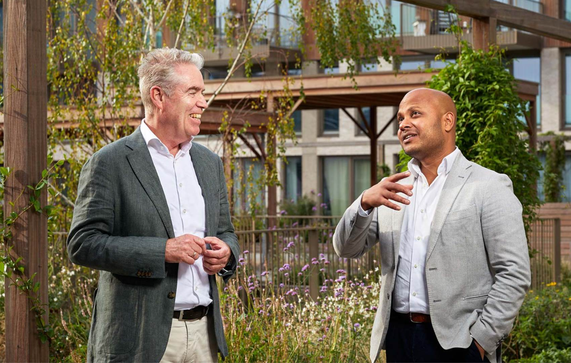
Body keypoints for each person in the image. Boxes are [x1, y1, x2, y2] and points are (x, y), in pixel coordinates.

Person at [333, 88, 531, 363]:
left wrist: (480, 342)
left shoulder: (489, 186)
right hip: (398, 340)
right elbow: (346, 249)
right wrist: (364, 203)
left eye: (415, 114)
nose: (403, 124)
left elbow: (514, 273)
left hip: (458, 345)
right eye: (400, 117)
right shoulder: (392, 190)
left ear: (447, 122)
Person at [67, 48, 239, 363]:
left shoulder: (209, 163)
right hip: (138, 341)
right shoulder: (109, 162)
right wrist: (162, 251)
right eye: (193, 92)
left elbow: (226, 231)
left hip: (205, 338)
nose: (203, 101)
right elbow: (82, 244)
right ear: (158, 96)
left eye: (203, 92)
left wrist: (226, 253)